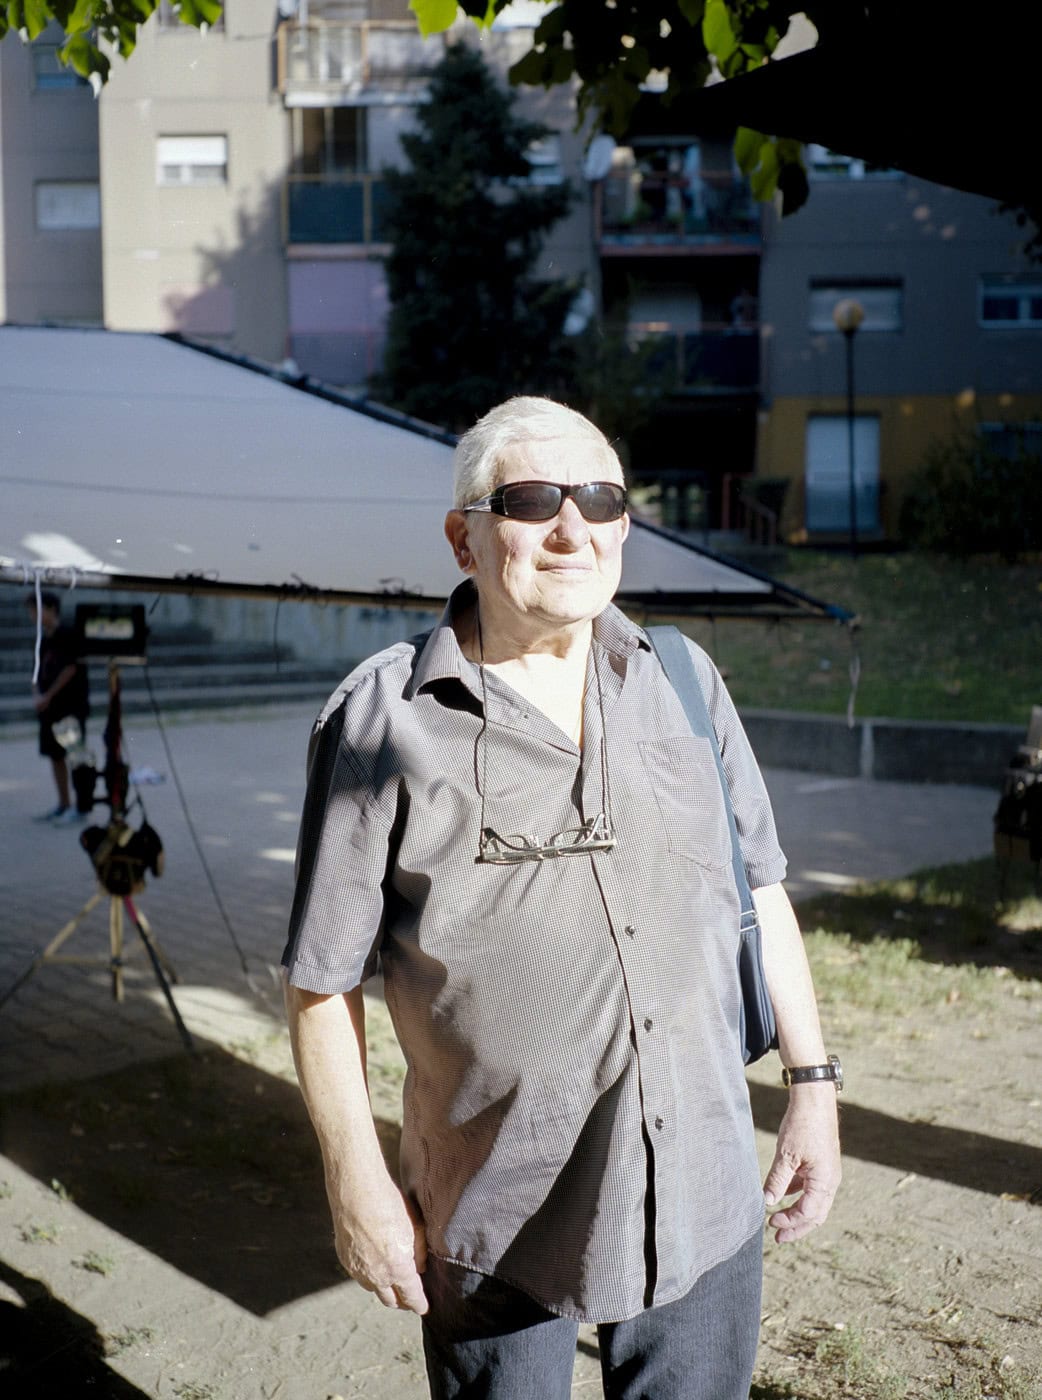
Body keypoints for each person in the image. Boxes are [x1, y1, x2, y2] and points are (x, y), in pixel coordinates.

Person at [282, 397, 841, 1400]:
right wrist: (353, 1182)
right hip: (500, 1211)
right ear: (463, 537)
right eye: (533, 500)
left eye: (600, 499)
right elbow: (321, 982)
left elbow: (761, 886)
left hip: (702, 1186)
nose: (571, 528)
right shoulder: (381, 720)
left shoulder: (685, 680)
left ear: (624, 526)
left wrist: (813, 1084)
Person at [26, 590, 90, 825]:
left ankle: (82, 806)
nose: (33, 615)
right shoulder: (43, 639)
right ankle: (64, 803)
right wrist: (37, 695)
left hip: (69, 707)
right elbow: (36, 671)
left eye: (36, 610)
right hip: (49, 709)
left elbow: (71, 669)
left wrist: (49, 695)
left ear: (51, 609)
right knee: (55, 756)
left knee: (76, 756)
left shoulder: (68, 634)